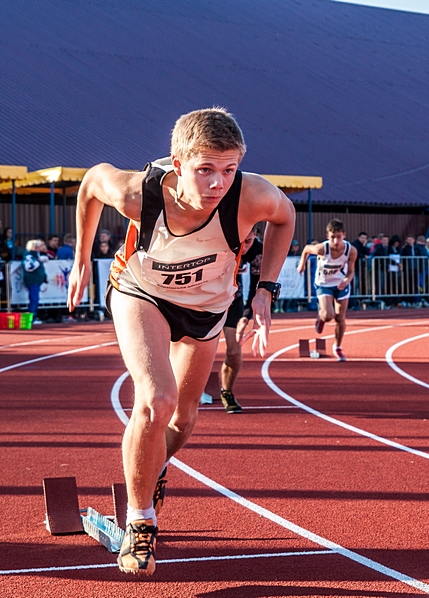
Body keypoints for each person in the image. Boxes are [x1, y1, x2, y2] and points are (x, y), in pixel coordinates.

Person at [66, 108, 295, 576]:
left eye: (228, 170)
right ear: (177, 162)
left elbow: (286, 219)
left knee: (184, 419)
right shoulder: (139, 194)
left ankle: (151, 467)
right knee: (156, 400)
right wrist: (81, 257)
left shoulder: (252, 195)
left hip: (207, 308)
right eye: (205, 170)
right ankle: (139, 521)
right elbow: (91, 182)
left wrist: (267, 289)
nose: (217, 184)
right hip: (141, 293)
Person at [208, 225, 263, 413]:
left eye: (249, 241)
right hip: (207, 300)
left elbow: (256, 286)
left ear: (255, 235)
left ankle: (227, 391)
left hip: (233, 300)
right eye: (241, 241)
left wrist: (246, 316)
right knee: (202, 352)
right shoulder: (221, 243)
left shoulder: (257, 250)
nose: (244, 246)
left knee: (234, 351)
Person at [297, 219, 356, 361]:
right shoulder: (322, 249)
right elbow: (306, 249)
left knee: (340, 318)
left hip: (341, 284)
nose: (336, 241)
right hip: (323, 283)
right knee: (328, 316)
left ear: (344, 235)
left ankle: (337, 347)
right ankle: (321, 317)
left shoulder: (351, 251)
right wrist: (302, 264)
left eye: (339, 237)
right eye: (332, 237)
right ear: (328, 236)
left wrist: (347, 280)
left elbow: (351, 272)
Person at [22, 239, 47, 324]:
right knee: (34, 299)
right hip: (32, 280)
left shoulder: (36, 255)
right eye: (39, 246)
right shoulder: (28, 255)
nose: (41, 247)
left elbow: (41, 269)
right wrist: (38, 261)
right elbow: (28, 267)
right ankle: (31, 318)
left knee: (35, 299)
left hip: (37, 280)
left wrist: (44, 277)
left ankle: (33, 317)